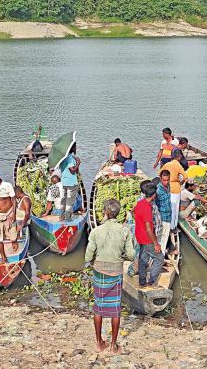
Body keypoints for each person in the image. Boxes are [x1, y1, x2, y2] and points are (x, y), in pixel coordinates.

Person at [85, 199, 136, 353]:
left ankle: (99, 342)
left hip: (100, 271)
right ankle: (113, 345)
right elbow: (132, 255)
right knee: (115, 309)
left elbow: (88, 257)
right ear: (117, 213)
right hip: (116, 272)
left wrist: (96, 259)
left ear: (106, 212)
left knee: (98, 308)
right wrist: (121, 256)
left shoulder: (96, 231)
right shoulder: (125, 230)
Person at [134, 182, 163, 287]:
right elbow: (149, 229)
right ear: (154, 195)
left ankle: (142, 281)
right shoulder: (147, 207)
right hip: (147, 239)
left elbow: (133, 212)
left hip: (139, 236)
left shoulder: (140, 203)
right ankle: (151, 281)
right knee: (159, 258)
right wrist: (156, 244)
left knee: (143, 258)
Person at [160, 157, 186, 231]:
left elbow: (160, 174)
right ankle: (173, 227)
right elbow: (185, 176)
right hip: (176, 188)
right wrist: (181, 183)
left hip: (168, 187)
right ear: (178, 158)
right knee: (176, 208)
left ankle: (168, 226)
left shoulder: (166, 164)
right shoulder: (178, 165)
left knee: (169, 207)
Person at [58, 143, 82, 221]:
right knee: (69, 202)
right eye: (75, 146)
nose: (76, 148)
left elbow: (76, 171)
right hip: (71, 183)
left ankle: (61, 216)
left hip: (64, 182)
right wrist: (78, 163)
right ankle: (68, 218)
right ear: (72, 148)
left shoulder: (62, 158)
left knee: (64, 200)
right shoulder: (70, 158)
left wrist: (76, 164)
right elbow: (72, 171)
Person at [155, 171, 173, 250]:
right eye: (164, 180)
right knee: (161, 237)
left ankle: (162, 253)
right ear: (160, 179)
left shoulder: (169, 187)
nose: (166, 182)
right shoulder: (158, 190)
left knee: (165, 237)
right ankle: (160, 256)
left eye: (167, 180)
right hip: (161, 217)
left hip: (168, 216)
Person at [12, 185, 31, 251]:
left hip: (21, 222)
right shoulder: (21, 198)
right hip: (19, 221)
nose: (15, 197)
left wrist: (22, 225)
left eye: (15, 195)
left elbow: (27, 213)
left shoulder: (25, 199)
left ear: (17, 193)